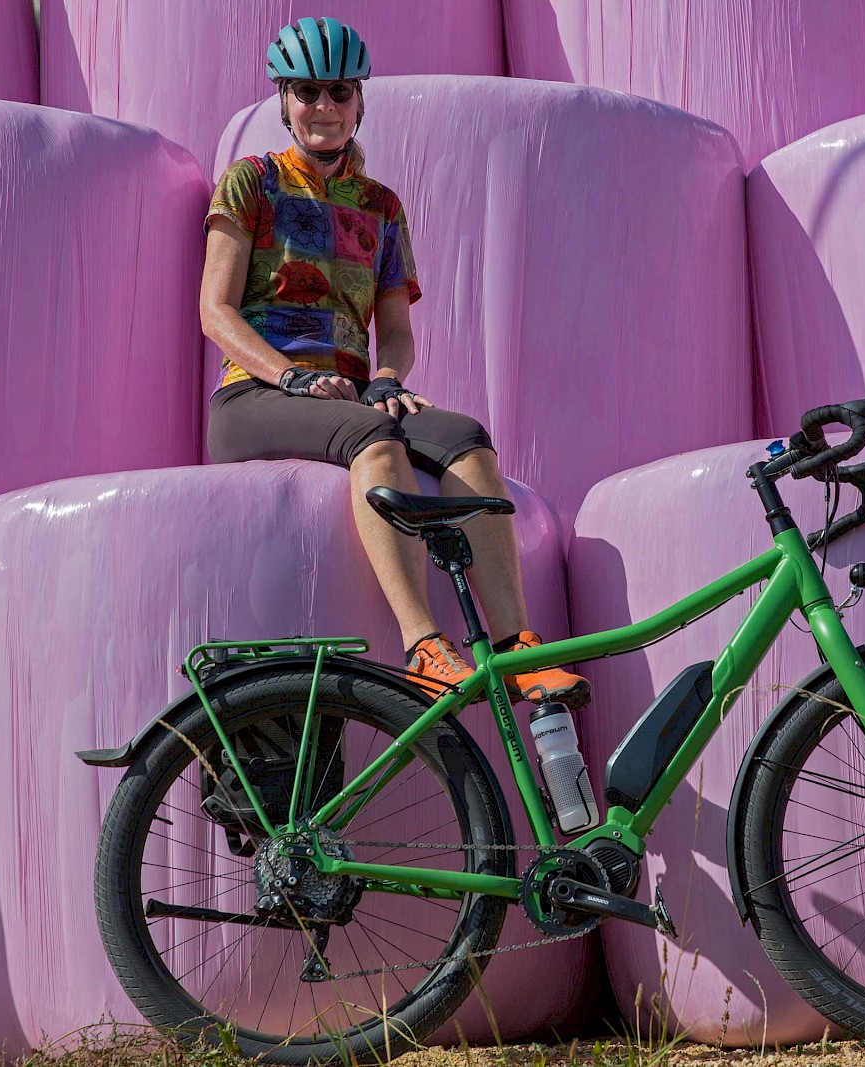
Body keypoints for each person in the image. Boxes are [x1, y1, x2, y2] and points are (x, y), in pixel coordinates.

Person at [200, 16, 590, 708]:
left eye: (339, 91)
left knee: (466, 438)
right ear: (285, 101)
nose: (324, 106)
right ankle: (425, 647)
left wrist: (385, 377)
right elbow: (216, 311)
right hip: (255, 396)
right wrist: (288, 375)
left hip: (347, 397)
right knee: (375, 438)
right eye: (307, 92)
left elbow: (397, 333)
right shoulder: (250, 182)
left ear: (359, 99)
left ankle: (515, 648)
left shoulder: (380, 207)